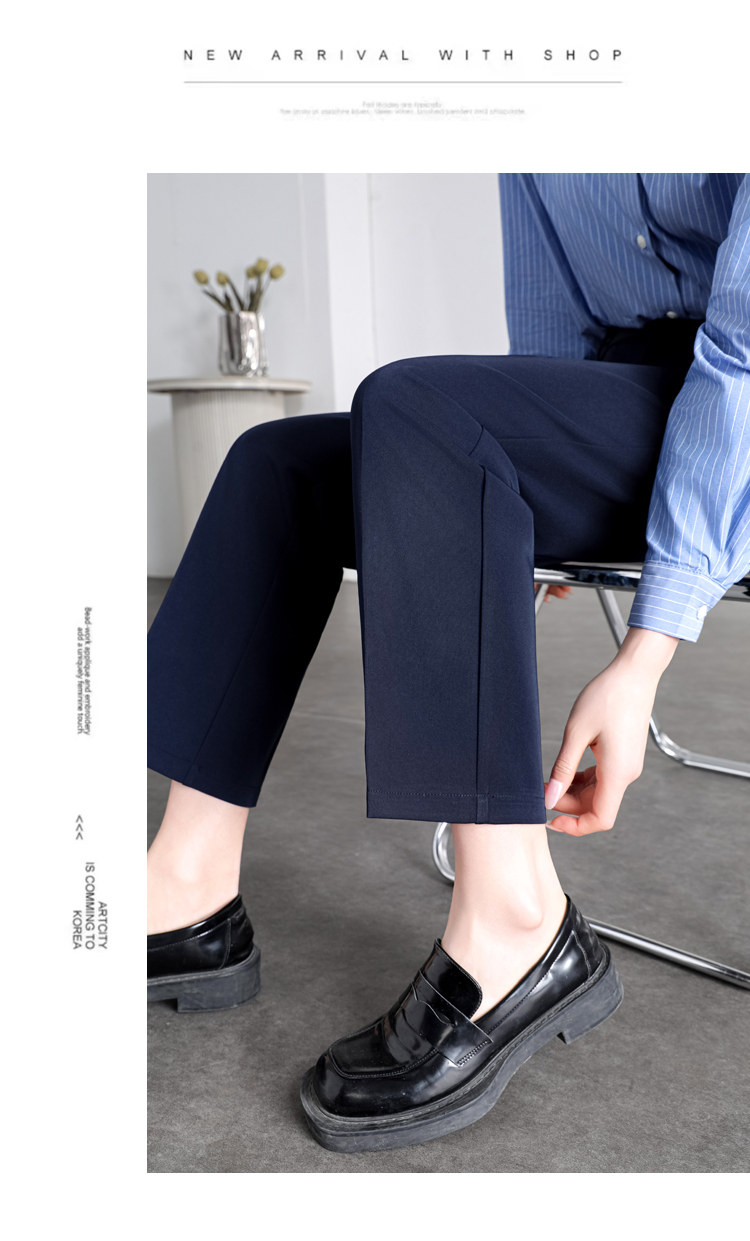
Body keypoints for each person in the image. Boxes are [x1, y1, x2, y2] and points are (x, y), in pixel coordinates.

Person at [147, 173, 750, 1153]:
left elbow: (743, 355)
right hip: (633, 397)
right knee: (279, 464)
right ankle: (187, 889)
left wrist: (645, 653)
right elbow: (554, 334)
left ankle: (518, 918)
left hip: (737, 402)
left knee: (415, 402)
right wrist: (516, 497)